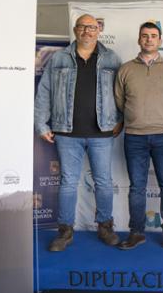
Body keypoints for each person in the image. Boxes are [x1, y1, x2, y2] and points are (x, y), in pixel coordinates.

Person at [34, 14, 123, 252]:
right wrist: (41, 125)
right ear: (75, 30)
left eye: (92, 27)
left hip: (102, 132)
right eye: (83, 27)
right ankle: (65, 231)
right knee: (68, 183)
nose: (87, 31)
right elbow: (44, 92)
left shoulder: (111, 58)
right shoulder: (59, 58)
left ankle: (105, 226)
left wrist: (120, 120)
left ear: (98, 31)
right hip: (66, 132)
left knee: (103, 182)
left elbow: (122, 93)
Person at [115, 22, 163, 250]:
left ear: (160, 41)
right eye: (144, 36)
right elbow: (119, 101)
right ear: (139, 40)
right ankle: (137, 232)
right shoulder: (125, 70)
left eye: (153, 36)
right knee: (137, 187)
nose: (149, 39)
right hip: (134, 137)